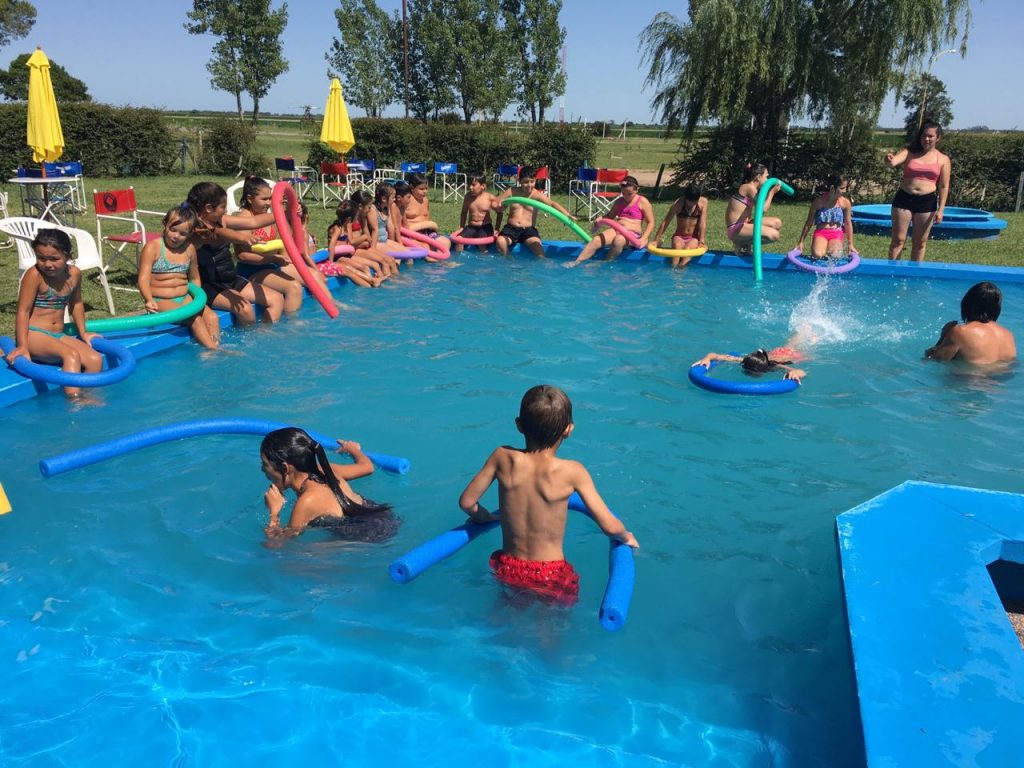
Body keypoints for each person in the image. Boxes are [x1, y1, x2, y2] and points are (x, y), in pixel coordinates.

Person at [458, 385, 639, 606]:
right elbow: (610, 527)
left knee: (504, 613)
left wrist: (484, 517)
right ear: (569, 430)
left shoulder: (502, 457)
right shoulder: (573, 472)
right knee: (548, 631)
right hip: (550, 574)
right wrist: (626, 536)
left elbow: (467, 502)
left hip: (509, 566)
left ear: (519, 425)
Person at [5, 228, 103, 399]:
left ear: (67, 256)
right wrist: (22, 346)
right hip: (34, 334)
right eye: (41, 258)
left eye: (54, 259)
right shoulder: (34, 275)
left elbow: (76, 303)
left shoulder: (74, 274)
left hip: (57, 335)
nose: (47, 264)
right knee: (71, 356)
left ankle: (90, 398)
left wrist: (83, 332)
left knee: (95, 359)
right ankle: (75, 403)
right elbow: (23, 311)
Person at [260, 427, 395, 541]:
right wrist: (353, 449)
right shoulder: (325, 469)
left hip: (368, 536)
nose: (262, 469)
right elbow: (367, 467)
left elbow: (277, 544)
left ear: (285, 468)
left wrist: (274, 512)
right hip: (384, 515)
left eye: (265, 465)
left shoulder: (306, 502)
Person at [187, 181, 285, 324]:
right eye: (223, 207)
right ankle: (247, 342)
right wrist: (242, 238)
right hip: (209, 285)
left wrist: (284, 213)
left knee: (276, 299)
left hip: (230, 279)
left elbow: (252, 222)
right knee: (245, 309)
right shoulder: (194, 230)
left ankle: (265, 337)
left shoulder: (222, 219)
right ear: (208, 208)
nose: (226, 210)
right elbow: (216, 234)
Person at [232, 176, 320, 313]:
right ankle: (290, 328)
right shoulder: (243, 219)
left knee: (315, 276)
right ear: (250, 198)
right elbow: (242, 255)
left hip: (272, 265)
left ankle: (326, 307)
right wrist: (273, 259)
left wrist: (294, 216)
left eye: (270, 198)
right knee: (294, 288)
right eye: (264, 199)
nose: (269, 203)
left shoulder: (267, 216)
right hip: (251, 270)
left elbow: (287, 238)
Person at [136, 204, 220, 350]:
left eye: (182, 233)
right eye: (172, 230)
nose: (175, 236)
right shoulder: (153, 247)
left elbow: (194, 277)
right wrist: (149, 300)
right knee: (195, 319)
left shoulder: (189, 249)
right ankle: (214, 351)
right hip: (161, 300)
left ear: (190, 233)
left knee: (213, 318)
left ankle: (212, 346)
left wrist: (197, 299)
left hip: (185, 297)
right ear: (165, 224)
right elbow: (143, 279)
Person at [886, 120, 951, 262]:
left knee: (920, 243)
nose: (926, 139)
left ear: (938, 138)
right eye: (923, 136)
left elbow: (944, 186)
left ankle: (914, 276)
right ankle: (892, 273)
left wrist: (941, 210)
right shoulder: (909, 152)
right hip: (904, 199)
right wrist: (889, 159)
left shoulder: (943, 159)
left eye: (930, 136)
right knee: (898, 240)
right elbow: (893, 162)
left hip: (926, 202)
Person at [569, 175, 655, 266]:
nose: (626, 196)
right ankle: (576, 262)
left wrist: (644, 238)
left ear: (637, 190)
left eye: (629, 194)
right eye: (623, 193)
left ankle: (604, 263)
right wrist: (601, 219)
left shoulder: (642, 201)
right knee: (596, 240)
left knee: (619, 240)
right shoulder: (619, 201)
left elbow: (651, 222)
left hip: (633, 234)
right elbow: (610, 216)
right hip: (616, 229)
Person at [925, 281, 1016, 364]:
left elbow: (934, 360)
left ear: (967, 304)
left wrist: (942, 337)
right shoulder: (1009, 335)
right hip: (1000, 381)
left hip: (966, 381)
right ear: (997, 309)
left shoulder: (961, 331)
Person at [494, 166, 575, 258]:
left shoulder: (536, 195)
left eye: (532, 182)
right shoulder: (512, 191)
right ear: (519, 181)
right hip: (511, 228)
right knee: (500, 241)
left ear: (535, 181)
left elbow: (552, 204)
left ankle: (544, 263)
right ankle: (508, 260)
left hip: (528, 230)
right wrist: (500, 206)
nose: (529, 185)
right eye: (526, 182)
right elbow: (496, 204)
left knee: (538, 249)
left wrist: (567, 214)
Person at [691, 334, 808, 383]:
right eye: (747, 371)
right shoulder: (743, 359)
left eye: (753, 373)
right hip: (775, 353)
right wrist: (707, 358)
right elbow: (716, 355)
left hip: (789, 355)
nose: (750, 375)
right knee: (788, 344)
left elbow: (801, 372)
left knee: (791, 347)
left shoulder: (774, 366)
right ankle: (802, 333)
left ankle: (806, 335)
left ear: (764, 369)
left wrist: (795, 372)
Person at [794, 174, 856, 260]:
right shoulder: (818, 202)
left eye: (845, 188)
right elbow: (809, 223)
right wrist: (801, 242)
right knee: (818, 255)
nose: (844, 191)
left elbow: (848, 224)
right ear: (832, 188)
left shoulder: (845, 203)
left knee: (835, 256)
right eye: (842, 188)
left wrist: (850, 244)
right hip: (821, 233)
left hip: (836, 233)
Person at [324, 200, 384, 288]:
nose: (357, 218)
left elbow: (349, 242)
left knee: (365, 267)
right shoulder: (337, 228)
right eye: (356, 216)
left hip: (346, 255)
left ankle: (370, 285)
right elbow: (332, 246)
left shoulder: (347, 226)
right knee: (358, 269)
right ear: (349, 218)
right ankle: (371, 282)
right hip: (338, 258)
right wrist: (331, 263)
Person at [725, 163, 782, 254]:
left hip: (745, 224)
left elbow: (761, 205)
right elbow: (762, 209)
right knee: (774, 235)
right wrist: (772, 193)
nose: (767, 180)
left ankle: (744, 244)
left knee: (777, 223)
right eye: (766, 177)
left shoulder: (752, 189)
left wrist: (771, 192)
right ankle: (740, 242)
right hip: (736, 229)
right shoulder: (748, 187)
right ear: (758, 177)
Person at [652, 182, 708, 268]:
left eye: (695, 201)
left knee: (687, 250)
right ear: (685, 197)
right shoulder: (678, 204)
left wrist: (702, 240)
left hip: (694, 237)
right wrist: (656, 240)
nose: (692, 204)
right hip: (679, 236)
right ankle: (673, 271)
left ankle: (682, 271)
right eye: (690, 201)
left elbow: (702, 223)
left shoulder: (703, 203)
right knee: (677, 250)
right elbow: (665, 222)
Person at [349, 189, 399, 276]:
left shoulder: (363, 218)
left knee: (390, 260)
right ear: (360, 206)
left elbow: (369, 238)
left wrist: (367, 241)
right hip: (356, 251)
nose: (370, 210)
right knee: (384, 262)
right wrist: (365, 239)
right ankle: (391, 285)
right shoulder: (350, 221)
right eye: (369, 207)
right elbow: (351, 243)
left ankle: (396, 282)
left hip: (364, 247)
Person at [402, 172, 452, 254]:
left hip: (426, 232)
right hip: (412, 234)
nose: (425, 191)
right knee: (426, 247)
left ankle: (439, 265)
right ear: (411, 187)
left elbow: (427, 216)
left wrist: (431, 228)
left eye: (426, 188)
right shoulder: (407, 200)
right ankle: (433, 261)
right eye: (421, 189)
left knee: (446, 242)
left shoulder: (425, 200)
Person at [454, 175, 497, 254]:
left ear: (483, 186)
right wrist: (461, 227)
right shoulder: (468, 197)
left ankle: (485, 262)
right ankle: (458, 261)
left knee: (481, 244)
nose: (470, 187)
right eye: (469, 184)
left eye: (473, 185)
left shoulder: (490, 198)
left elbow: (500, 212)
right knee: (459, 240)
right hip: (471, 227)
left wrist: (497, 229)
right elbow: (464, 212)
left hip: (485, 227)